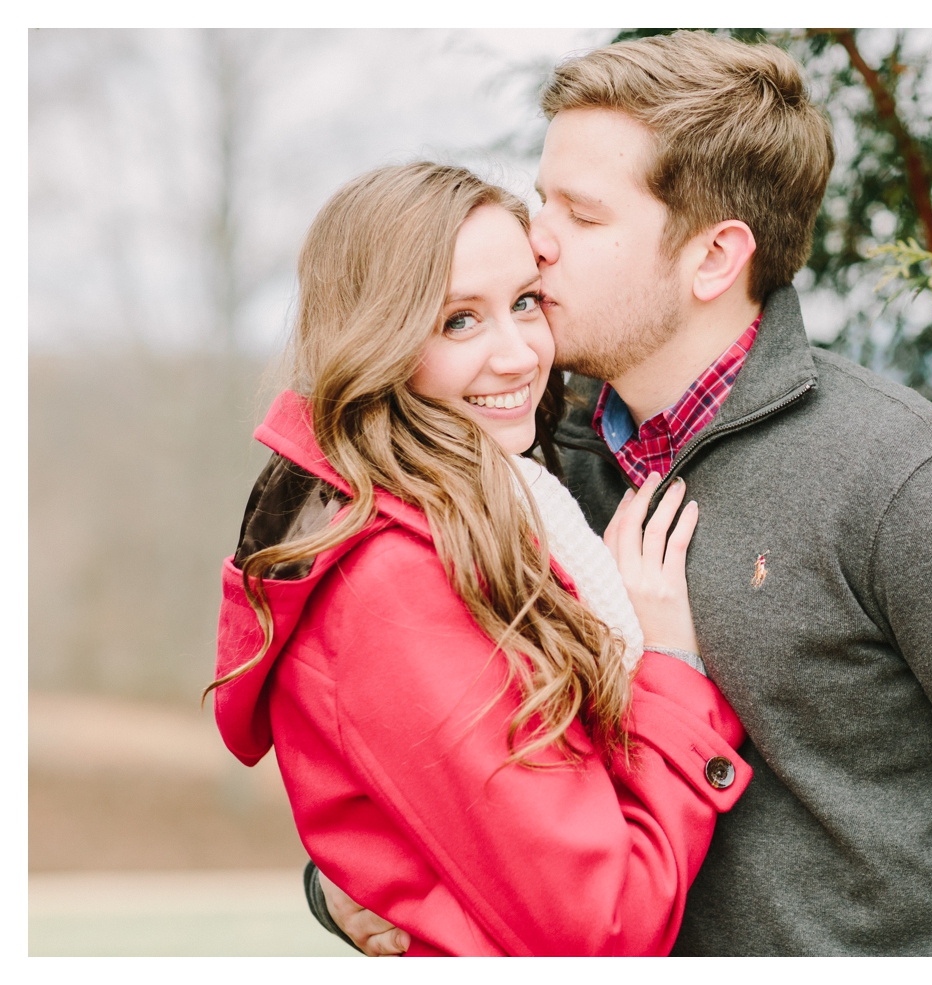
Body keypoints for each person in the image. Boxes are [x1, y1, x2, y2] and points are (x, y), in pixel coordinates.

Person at [316, 31, 932, 956]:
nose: (535, 240)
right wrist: (351, 877)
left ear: (715, 258)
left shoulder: (910, 486)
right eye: (540, 196)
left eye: (582, 216)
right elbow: (447, 743)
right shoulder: (528, 463)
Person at [209, 162, 754, 957]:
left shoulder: (508, 498)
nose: (517, 357)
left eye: (525, 303)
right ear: (379, 339)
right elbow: (599, 929)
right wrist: (671, 666)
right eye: (459, 321)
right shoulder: (396, 580)